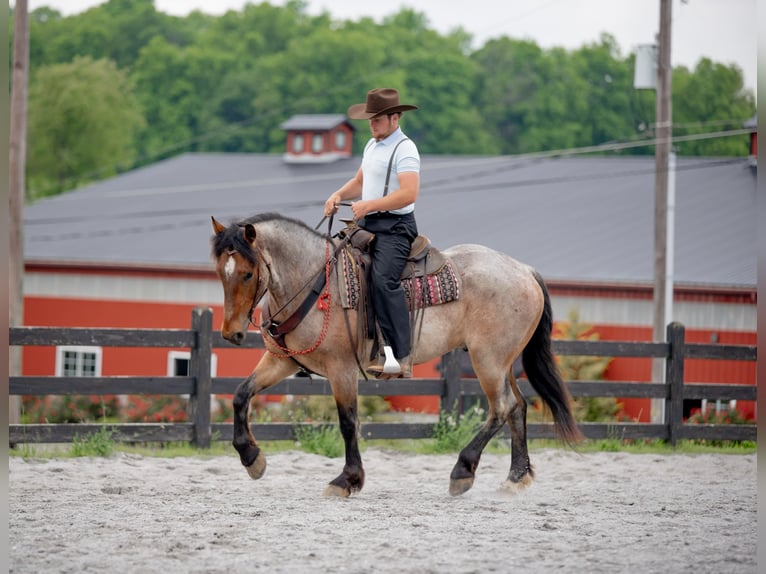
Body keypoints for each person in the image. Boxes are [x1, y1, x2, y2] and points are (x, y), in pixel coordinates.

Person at [324, 88, 420, 378]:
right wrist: (339, 194)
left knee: (383, 280)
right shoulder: (371, 145)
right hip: (368, 223)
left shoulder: (405, 149)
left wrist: (369, 205)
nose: (372, 123)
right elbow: (359, 181)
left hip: (396, 228)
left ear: (394, 117)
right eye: (370, 119)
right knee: (333, 261)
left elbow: (408, 193)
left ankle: (400, 357)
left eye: (377, 119)